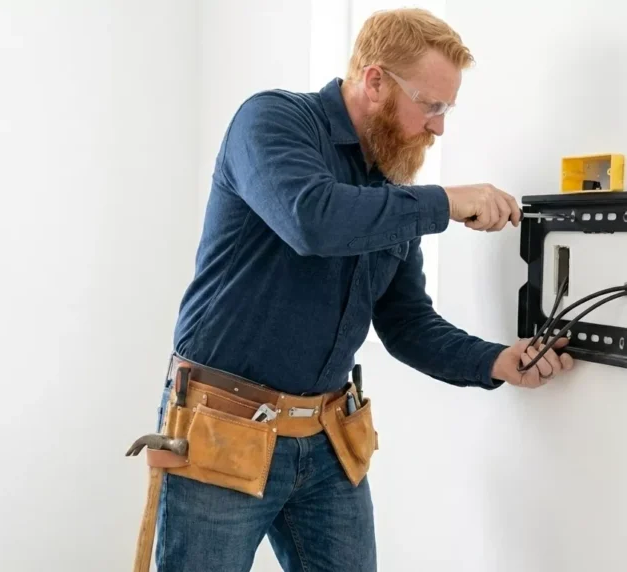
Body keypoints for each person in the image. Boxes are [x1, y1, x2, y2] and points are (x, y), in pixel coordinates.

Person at [149, 8, 574, 571]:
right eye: (432, 105)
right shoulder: (271, 121)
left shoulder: (391, 189)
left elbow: (406, 323)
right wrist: (446, 203)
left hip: (327, 438)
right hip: (220, 426)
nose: (439, 126)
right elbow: (313, 220)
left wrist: (497, 361)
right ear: (375, 81)